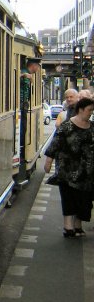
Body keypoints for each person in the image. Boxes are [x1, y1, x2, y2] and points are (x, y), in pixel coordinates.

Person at [44, 96, 94, 238]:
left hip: (87, 173)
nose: (91, 113)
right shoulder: (67, 126)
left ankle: (78, 225)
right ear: (80, 110)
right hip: (67, 170)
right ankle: (68, 227)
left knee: (84, 200)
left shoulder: (92, 127)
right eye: (89, 110)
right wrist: (48, 162)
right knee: (69, 198)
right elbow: (55, 144)